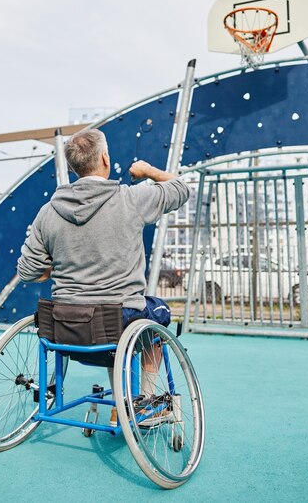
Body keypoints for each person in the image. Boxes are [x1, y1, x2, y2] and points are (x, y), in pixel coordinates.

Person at [17, 128, 190, 425]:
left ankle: (120, 401)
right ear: (105, 159)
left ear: (74, 168)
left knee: (117, 317)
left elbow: (28, 271)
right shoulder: (130, 199)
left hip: (66, 327)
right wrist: (147, 170)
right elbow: (182, 188)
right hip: (118, 324)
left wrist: (58, 263)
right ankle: (142, 401)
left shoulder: (48, 212)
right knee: (157, 311)